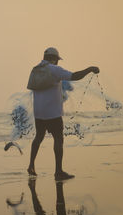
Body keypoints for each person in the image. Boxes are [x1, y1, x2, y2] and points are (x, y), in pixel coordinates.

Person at [27, 47, 99, 180]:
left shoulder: (35, 69)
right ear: (54, 59)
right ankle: (58, 171)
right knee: (58, 140)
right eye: (57, 60)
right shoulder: (54, 69)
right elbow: (74, 76)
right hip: (53, 113)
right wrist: (89, 69)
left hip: (39, 112)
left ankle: (31, 165)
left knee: (38, 137)